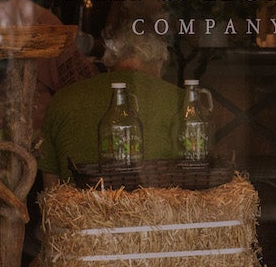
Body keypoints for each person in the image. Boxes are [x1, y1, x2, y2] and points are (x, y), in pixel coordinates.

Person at [38, 30, 181, 183]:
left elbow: (50, 188)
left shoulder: (62, 99)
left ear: (108, 63)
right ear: (160, 64)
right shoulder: (182, 100)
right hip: (159, 206)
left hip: (82, 206)